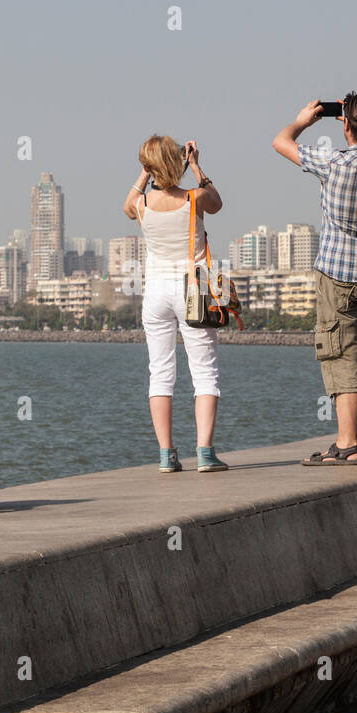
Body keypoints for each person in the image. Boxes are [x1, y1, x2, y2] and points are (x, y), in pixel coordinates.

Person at [273, 92, 357, 466]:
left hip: (337, 275)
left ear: (345, 125)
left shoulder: (332, 162)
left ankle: (346, 445)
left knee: (343, 357)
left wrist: (303, 120)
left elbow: (281, 142)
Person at [123, 134, 228, 473]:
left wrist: (144, 173)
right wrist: (196, 166)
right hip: (192, 289)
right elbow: (217, 203)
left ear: (149, 166)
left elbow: (127, 205)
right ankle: (205, 453)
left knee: (160, 373)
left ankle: (167, 455)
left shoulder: (141, 205)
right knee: (205, 373)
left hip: (155, 292)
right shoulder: (194, 198)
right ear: (178, 161)